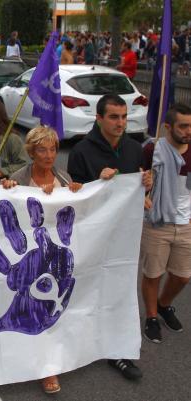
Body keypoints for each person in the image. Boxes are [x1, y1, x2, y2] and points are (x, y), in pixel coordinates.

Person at [67, 94, 152, 381]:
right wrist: (95, 183)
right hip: (92, 235)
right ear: (99, 118)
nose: (121, 122)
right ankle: (79, 341)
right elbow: (74, 197)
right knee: (86, 287)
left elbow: (136, 188)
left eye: (124, 117)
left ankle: (118, 349)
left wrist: (145, 187)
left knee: (120, 288)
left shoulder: (133, 149)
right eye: (114, 117)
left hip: (124, 237)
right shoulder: (81, 151)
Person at [0, 126, 82, 394]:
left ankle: (49, 370)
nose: (49, 155)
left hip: (55, 260)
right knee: (28, 311)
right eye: (42, 149)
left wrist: (77, 192)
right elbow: (5, 208)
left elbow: (75, 213)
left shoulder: (64, 177)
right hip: (29, 258)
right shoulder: (19, 178)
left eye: (53, 149)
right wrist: (9, 188)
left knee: (50, 312)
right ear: (32, 151)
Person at [140, 103, 191, 344]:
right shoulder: (153, 149)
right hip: (156, 222)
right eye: (183, 126)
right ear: (168, 127)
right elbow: (135, 181)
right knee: (153, 274)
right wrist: (144, 188)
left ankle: (164, 305)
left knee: (182, 277)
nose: (189, 130)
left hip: (186, 223)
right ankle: (151, 317)